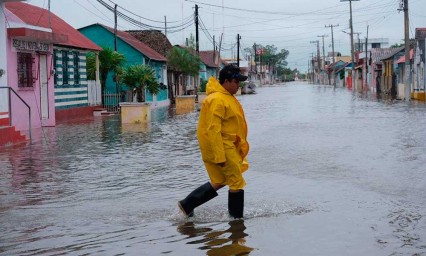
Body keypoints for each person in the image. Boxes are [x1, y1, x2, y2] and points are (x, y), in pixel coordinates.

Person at [178, 64, 250, 219]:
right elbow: (212, 129)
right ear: (227, 81)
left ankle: (187, 204)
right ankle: (236, 222)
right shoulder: (217, 99)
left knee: (221, 180)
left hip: (228, 146)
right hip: (223, 147)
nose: (239, 85)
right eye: (236, 82)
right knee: (236, 182)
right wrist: (220, 156)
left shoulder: (226, 97)